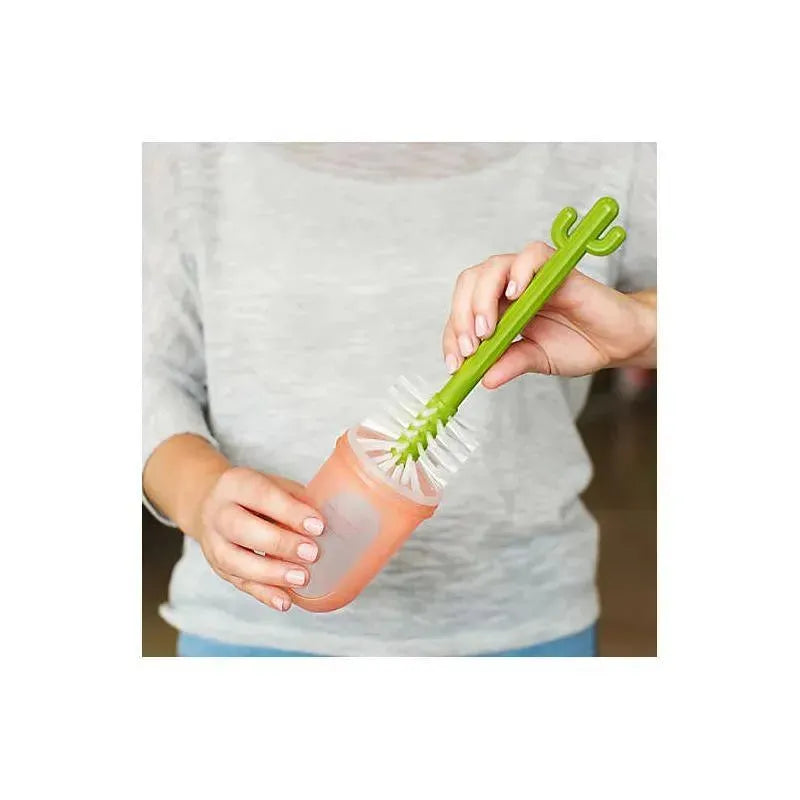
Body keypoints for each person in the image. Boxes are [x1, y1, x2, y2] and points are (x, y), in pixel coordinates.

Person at [143, 143, 656, 656]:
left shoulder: (610, 147)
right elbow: (147, 373)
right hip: (248, 630)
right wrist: (199, 495)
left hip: (524, 625)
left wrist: (645, 327)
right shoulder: (190, 153)